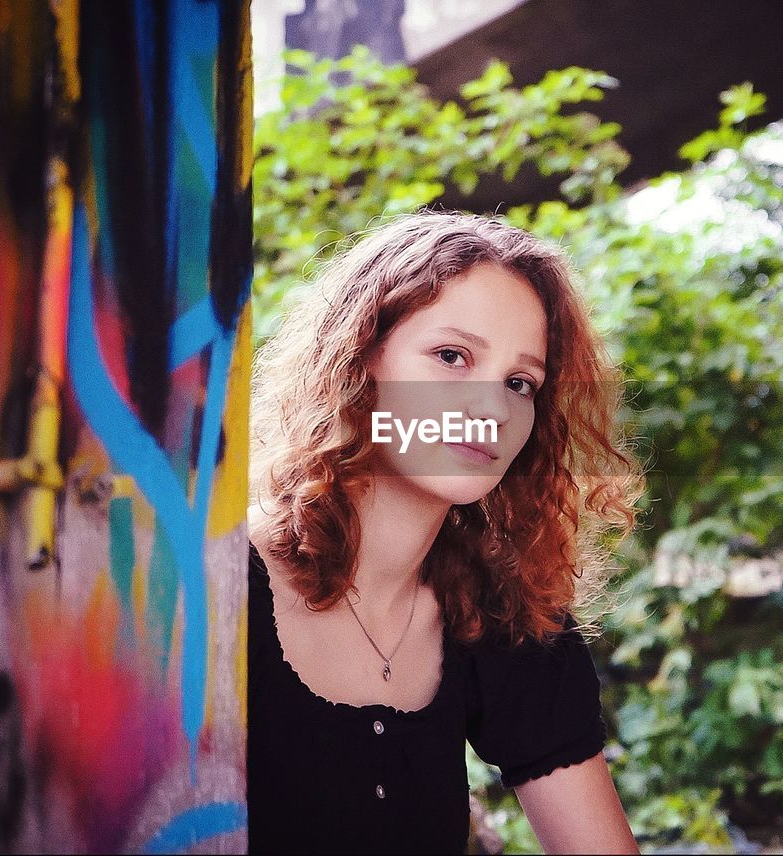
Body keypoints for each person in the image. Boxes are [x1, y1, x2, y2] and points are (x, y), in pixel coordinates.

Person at [246, 211, 645, 853]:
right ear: (361, 358)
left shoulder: (500, 613)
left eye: (520, 383)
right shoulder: (217, 586)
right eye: (452, 356)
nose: (492, 408)